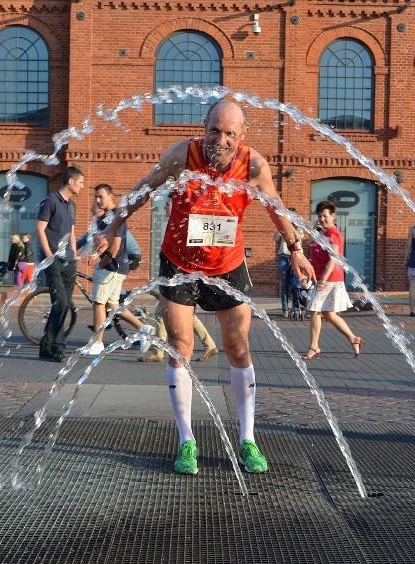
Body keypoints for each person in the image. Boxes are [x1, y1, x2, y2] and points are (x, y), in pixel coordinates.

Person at [94, 99, 315, 476]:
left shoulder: (254, 166)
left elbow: (276, 207)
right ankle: (186, 442)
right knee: (181, 347)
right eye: (215, 130)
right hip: (179, 261)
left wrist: (296, 250)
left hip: (228, 265)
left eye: (230, 133)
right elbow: (144, 189)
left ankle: (248, 439)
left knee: (238, 346)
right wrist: (113, 226)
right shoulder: (184, 155)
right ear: (204, 127)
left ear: (242, 135)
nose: (221, 139)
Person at [141, 199, 219, 364]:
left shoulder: (189, 225)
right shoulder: (173, 225)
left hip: (184, 280)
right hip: (173, 278)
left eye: (167, 204)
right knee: (181, 316)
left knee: (163, 315)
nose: (164, 208)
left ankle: (159, 352)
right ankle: (209, 344)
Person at [85, 183, 155, 356]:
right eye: (96, 197)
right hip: (116, 267)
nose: (97, 200)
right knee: (112, 305)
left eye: (101, 196)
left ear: (111, 197)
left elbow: (115, 247)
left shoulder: (117, 216)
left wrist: (100, 265)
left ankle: (97, 343)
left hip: (111, 267)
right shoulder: (106, 218)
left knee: (98, 303)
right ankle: (143, 328)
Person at [302, 200, 365, 360]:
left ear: (333, 216)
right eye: (320, 216)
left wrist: (322, 279)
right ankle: (353, 339)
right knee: (329, 313)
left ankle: (314, 346)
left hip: (329, 278)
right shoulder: (322, 233)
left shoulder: (334, 234)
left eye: (325, 216)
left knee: (314, 310)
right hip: (324, 278)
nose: (322, 219)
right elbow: (310, 246)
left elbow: (334, 259)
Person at [36, 165, 82, 362]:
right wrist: (48, 254)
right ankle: (57, 348)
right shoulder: (50, 201)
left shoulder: (71, 205)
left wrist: (74, 254)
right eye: (80, 182)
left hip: (69, 262)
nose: (82, 186)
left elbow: (70, 231)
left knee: (61, 305)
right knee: (61, 303)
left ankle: (45, 347)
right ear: (70, 181)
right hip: (53, 260)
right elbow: (39, 228)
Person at [275, 207, 302, 317]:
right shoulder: (282, 227)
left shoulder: (299, 227)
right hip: (284, 257)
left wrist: (291, 226)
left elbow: (300, 237)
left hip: (296, 257)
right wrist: (280, 224)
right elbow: (276, 238)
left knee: (296, 284)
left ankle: (296, 307)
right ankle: (285, 309)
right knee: (284, 284)